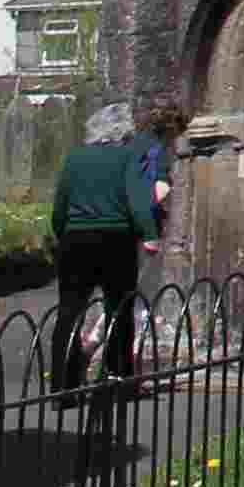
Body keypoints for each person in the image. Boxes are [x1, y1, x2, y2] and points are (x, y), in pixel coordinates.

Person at [46, 102, 166, 388]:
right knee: (119, 309)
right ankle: (116, 378)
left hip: (76, 240)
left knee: (70, 310)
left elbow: (60, 205)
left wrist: (64, 233)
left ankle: (63, 384)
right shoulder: (128, 158)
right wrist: (149, 234)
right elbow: (138, 200)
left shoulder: (74, 159)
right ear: (122, 132)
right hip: (116, 239)